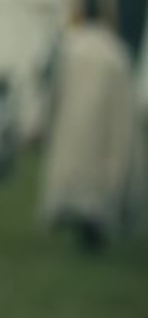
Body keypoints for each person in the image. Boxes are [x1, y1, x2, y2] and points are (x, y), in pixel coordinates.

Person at [39, 13, 139, 253]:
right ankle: (91, 228)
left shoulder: (74, 50)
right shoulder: (114, 53)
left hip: (76, 123)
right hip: (100, 126)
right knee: (97, 178)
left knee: (84, 175)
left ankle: (89, 228)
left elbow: (54, 89)